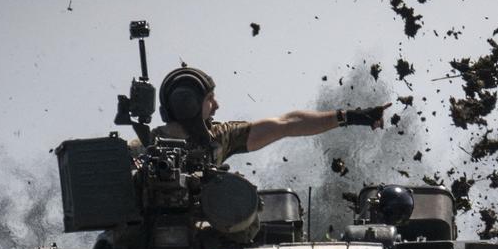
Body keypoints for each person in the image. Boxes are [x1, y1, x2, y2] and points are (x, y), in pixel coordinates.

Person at [145, 66, 391, 165]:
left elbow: (288, 124)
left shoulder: (219, 138)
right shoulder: (143, 149)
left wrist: (352, 116)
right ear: (189, 105)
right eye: (210, 99)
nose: (217, 105)